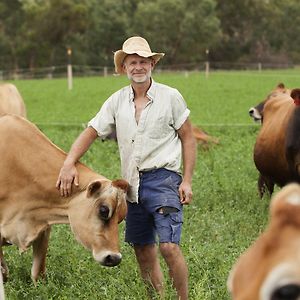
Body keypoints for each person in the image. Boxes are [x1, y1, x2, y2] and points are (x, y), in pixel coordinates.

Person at [56, 36, 197, 299]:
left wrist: (186, 180)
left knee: (168, 246)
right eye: (132, 62)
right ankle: (154, 296)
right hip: (131, 186)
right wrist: (68, 162)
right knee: (142, 248)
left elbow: (188, 137)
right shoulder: (116, 101)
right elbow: (92, 131)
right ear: (124, 68)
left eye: (143, 61)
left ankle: (183, 298)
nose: (138, 67)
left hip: (164, 179)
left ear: (152, 63)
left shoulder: (170, 97)